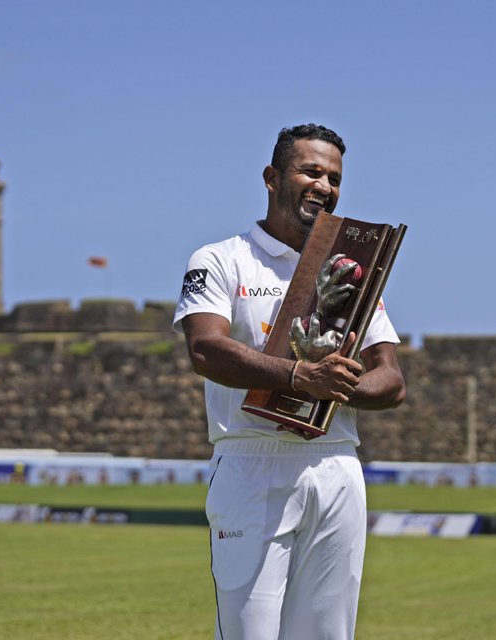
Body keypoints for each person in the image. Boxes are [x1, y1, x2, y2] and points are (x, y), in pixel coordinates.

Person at [174, 123, 405, 640]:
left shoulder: (354, 270)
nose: (325, 185)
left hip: (336, 462)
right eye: (311, 171)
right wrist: (303, 375)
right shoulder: (220, 259)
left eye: (335, 177)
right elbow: (205, 349)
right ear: (272, 177)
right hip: (251, 461)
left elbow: (390, 380)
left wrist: (337, 385)